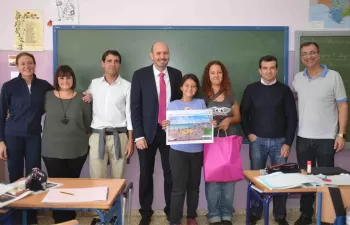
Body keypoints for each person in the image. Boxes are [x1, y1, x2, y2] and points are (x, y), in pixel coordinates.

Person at [292, 42, 348, 225]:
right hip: (303, 139)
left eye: (312, 53)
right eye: (304, 54)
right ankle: (306, 215)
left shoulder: (333, 77)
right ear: (301, 57)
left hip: (326, 140)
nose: (308, 57)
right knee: (306, 178)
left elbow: (342, 105)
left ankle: (327, 215)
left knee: (326, 179)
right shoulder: (297, 79)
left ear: (319, 54)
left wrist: (341, 134)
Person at [240, 55, 298, 225]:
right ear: (260, 70)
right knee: (257, 179)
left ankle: (280, 215)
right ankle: (255, 213)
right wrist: (249, 134)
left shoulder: (285, 90)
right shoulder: (251, 89)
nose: (269, 71)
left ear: (276, 70)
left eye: (272, 68)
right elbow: (243, 114)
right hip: (257, 142)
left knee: (281, 180)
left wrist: (288, 142)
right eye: (265, 68)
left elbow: (292, 118)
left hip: (280, 142)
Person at [130, 41, 183, 225]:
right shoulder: (140, 75)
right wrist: (138, 135)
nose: (162, 57)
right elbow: (134, 107)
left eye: (165, 53)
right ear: (151, 55)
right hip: (146, 133)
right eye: (158, 53)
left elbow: (180, 103)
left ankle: (171, 211)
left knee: (171, 174)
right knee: (146, 174)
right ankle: (145, 213)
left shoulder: (177, 75)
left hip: (170, 132)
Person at [0, 52, 53, 224]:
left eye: (30, 63)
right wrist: (1, 141)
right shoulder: (9, 86)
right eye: (23, 64)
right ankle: (17, 217)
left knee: (34, 176)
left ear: (34, 64)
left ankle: (31, 218)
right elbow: (1, 114)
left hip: (33, 136)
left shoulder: (44, 86)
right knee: (15, 177)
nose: (27, 66)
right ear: (18, 66)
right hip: (12, 136)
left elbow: (57, 98)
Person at [41, 65, 92, 223]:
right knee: (57, 186)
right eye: (61, 77)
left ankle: (70, 219)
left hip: (77, 150)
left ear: (73, 79)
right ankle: (61, 220)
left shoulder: (83, 98)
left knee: (71, 186)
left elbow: (88, 124)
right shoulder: (47, 96)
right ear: (57, 80)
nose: (65, 80)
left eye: (68, 77)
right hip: (51, 151)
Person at [162, 74, 214, 225]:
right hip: (178, 151)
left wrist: (209, 123)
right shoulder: (173, 105)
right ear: (181, 87)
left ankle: (191, 217)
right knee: (178, 187)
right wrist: (166, 126)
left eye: (193, 86)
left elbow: (204, 126)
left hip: (196, 151)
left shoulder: (201, 103)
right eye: (187, 86)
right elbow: (170, 131)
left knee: (194, 187)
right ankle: (175, 219)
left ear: (196, 88)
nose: (189, 89)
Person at [202, 61, 241, 225]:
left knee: (229, 180)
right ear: (208, 75)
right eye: (212, 72)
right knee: (213, 180)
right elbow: (196, 119)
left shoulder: (231, 94)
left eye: (219, 72)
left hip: (229, 142)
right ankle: (213, 214)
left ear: (223, 74)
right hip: (210, 142)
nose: (216, 75)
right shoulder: (203, 95)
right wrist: (206, 122)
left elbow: (238, 117)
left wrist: (229, 120)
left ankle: (227, 214)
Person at [85, 50, 134, 179]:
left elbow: (130, 114)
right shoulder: (94, 83)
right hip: (97, 135)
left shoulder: (127, 86)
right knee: (96, 179)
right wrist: (88, 95)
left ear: (119, 65)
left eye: (116, 61)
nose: (113, 64)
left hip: (120, 136)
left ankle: (116, 200)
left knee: (118, 180)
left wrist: (130, 141)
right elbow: (87, 95)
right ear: (103, 63)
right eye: (109, 61)